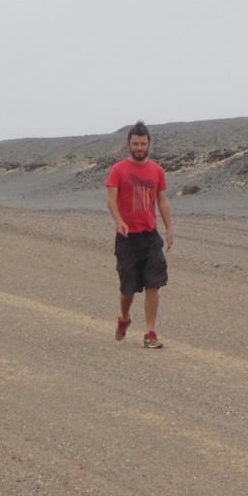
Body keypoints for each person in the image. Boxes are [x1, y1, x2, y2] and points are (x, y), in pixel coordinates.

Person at [106, 120, 174, 348]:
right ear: (129, 144)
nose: (139, 148)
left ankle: (150, 333)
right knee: (128, 287)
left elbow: (163, 201)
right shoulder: (118, 169)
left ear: (149, 144)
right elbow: (111, 199)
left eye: (143, 144)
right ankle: (124, 318)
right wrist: (119, 221)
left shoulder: (157, 170)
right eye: (135, 144)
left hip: (150, 236)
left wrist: (169, 228)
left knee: (153, 283)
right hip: (127, 238)